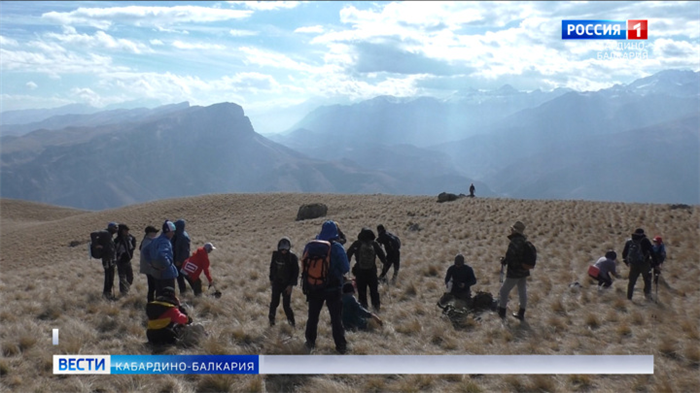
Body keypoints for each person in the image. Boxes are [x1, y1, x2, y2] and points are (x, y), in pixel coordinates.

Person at [304, 220, 350, 354]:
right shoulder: (336, 247)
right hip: (333, 289)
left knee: (313, 317)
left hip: (314, 287)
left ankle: (310, 342)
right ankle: (340, 346)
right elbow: (345, 267)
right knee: (336, 318)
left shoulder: (311, 245)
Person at [498, 221, 532, 321]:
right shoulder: (524, 241)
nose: (511, 230)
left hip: (514, 272)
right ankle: (521, 313)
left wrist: (503, 261)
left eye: (512, 229)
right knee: (522, 291)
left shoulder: (515, 242)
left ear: (514, 230)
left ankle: (502, 313)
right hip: (524, 271)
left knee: (503, 291)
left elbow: (510, 257)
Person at [346, 228, 386, 311]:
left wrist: (348, 265)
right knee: (374, 291)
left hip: (360, 272)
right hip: (372, 272)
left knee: (362, 293)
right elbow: (382, 257)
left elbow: (348, 254)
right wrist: (384, 263)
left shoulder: (356, 244)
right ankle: (376, 309)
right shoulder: (374, 244)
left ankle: (364, 310)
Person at [268, 237, 299, 327]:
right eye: (282, 249)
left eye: (285, 249)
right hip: (277, 283)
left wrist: (291, 285)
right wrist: (271, 280)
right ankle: (271, 322)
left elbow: (295, 273)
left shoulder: (292, 258)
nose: (283, 251)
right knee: (274, 303)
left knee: (286, 306)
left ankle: (292, 324)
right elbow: (272, 268)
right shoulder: (275, 255)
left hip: (287, 285)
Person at [622, 228, 657, 301]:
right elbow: (652, 252)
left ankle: (629, 298)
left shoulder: (629, 241)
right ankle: (647, 296)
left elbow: (624, 253)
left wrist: (626, 262)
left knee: (631, 282)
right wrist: (655, 264)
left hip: (633, 264)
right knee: (647, 280)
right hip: (644, 264)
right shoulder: (645, 240)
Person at [146, 220, 179, 293]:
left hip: (156, 273)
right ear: (168, 231)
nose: (173, 233)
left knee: (159, 294)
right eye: (172, 231)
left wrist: (151, 263)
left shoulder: (155, 240)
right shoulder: (165, 241)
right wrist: (167, 265)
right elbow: (161, 254)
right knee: (169, 295)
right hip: (166, 274)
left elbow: (145, 251)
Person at [98, 222, 119, 300]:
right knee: (108, 276)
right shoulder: (106, 235)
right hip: (107, 259)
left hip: (110, 259)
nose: (116, 229)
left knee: (110, 276)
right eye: (115, 227)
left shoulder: (109, 236)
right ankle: (107, 294)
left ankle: (108, 293)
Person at [114, 224, 136, 296]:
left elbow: (133, 246)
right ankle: (123, 293)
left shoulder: (129, 238)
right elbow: (115, 250)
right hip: (120, 262)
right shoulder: (117, 240)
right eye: (125, 230)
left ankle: (126, 289)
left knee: (130, 277)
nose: (127, 232)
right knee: (122, 278)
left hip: (127, 260)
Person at [139, 226, 159, 302]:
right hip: (150, 268)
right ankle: (151, 302)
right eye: (154, 232)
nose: (156, 234)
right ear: (150, 233)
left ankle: (151, 302)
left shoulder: (147, 241)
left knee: (152, 286)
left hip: (149, 268)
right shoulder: (148, 242)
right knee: (153, 286)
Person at [171, 219, 191, 295]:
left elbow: (185, 251)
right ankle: (183, 292)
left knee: (187, 276)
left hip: (182, 261)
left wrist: (180, 260)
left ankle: (196, 289)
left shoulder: (183, 237)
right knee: (179, 278)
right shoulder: (177, 235)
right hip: (176, 260)